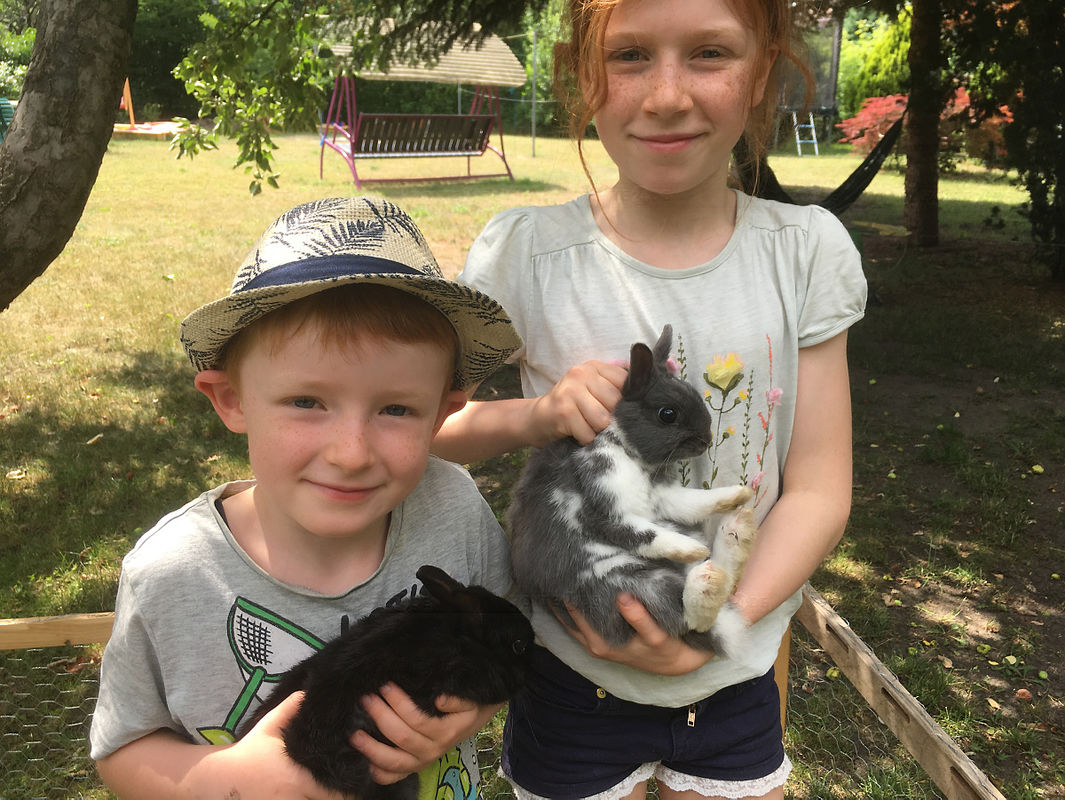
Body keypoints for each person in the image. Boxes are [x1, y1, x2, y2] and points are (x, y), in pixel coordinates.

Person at [433, 0, 868, 798]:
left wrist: (714, 625)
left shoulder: (804, 253)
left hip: (732, 678)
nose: (667, 94)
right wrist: (535, 416)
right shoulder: (525, 254)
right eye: (629, 55)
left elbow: (817, 489)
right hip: (569, 673)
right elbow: (431, 427)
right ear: (581, 74)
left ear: (763, 69)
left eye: (709, 53)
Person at [89, 196, 524, 799]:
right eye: (307, 402)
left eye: (396, 409)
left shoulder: (451, 508)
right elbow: (122, 748)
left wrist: (461, 718)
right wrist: (227, 781)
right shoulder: (172, 574)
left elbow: (510, 641)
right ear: (231, 399)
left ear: (442, 416)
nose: (351, 452)